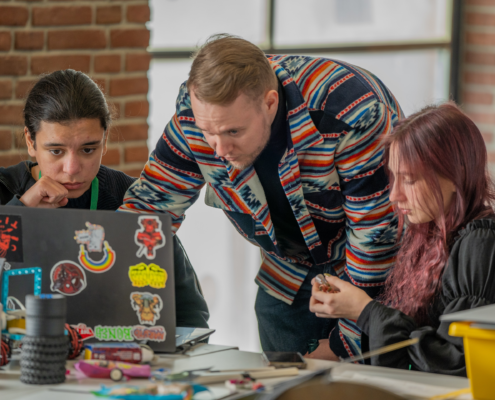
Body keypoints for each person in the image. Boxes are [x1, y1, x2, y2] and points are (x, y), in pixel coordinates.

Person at [119, 34, 403, 359]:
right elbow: (148, 212)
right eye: (208, 133)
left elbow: (376, 239)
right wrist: (105, 310)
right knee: (284, 385)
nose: (220, 150)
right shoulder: (195, 117)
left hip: (376, 276)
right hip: (288, 268)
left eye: (233, 132)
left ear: (269, 103)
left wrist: (345, 344)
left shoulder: (352, 113)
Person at [0, 69, 209, 329]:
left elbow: (191, 313)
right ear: (30, 141)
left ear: (105, 140)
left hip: (120, 362)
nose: (72, 168)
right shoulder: (5, 190)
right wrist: (20, 211)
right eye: (56, 151)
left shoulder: (134, 199)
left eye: (88, 149)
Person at [309, 102, 495, 375]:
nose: (394, 196)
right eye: (394, 178)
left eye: (409, 180)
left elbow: (456, 361)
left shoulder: (479, 245)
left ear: (456, 177)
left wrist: (365, 310)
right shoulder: (427, 234)